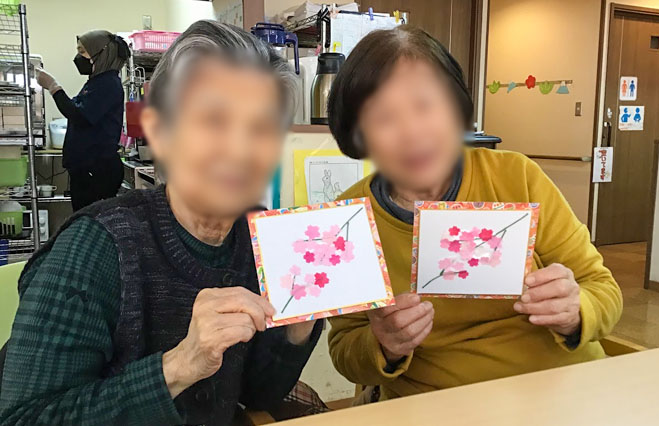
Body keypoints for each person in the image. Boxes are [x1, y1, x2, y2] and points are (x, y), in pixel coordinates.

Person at [0, 21, 321, 425]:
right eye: (214, 121)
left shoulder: (258, 240)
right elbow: (23, 418)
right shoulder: (96, 248)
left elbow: (257, 394)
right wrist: (180, 365)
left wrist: (298, 326)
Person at [326, 26, 622, 401]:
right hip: (439, 403)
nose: (412, 131)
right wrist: (384, 344)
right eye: (384, 117)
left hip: (564, 389)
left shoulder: (517, 177)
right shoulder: (349, 220)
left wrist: (576, 309)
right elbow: (346, 350)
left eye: (425, 105)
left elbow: (602, 289)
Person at [36, 30, 129, 211]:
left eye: (82, 52)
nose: (78, 58)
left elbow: (78, 115)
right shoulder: (95, 83)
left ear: (102, 53)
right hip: (88, 168)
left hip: (97, 170)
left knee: (91, 220)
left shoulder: (108, 84)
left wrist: (53, 86)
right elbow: (76, 110)